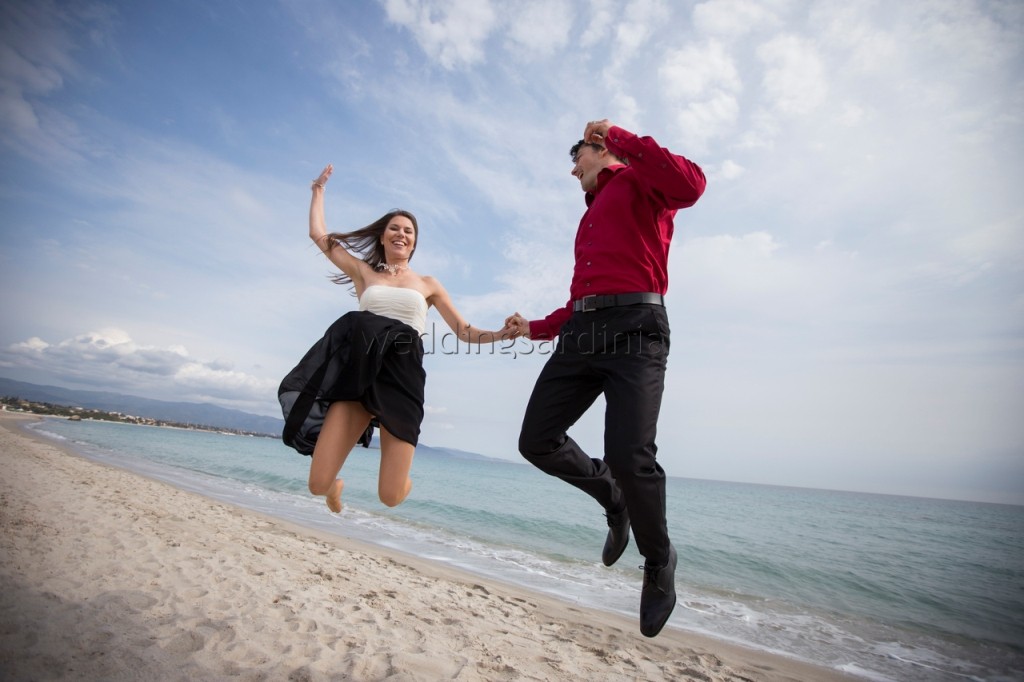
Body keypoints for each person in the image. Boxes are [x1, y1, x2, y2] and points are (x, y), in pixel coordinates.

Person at [505, 120, 706, 638]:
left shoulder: (642, 181)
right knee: (536, 440)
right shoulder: (590, 217)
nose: (573, 171)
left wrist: (619, 135)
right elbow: (581, 299)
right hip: (583, 331)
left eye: (578, 159)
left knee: (629, 454)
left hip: (637, 330)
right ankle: (613, 499)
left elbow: (692, 185)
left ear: (600, 151)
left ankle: (658, 562)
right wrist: (535, 328)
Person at [279, 164, 512, 512]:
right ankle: (334, 486)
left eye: (408, 231)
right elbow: (318, 234)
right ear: (382, 236)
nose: (401, 234)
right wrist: (318, 190)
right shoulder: (363, 272)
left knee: (389, 496)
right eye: (394, 228)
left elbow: (464, 331)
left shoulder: (428, 284)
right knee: (317, 484)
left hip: (402, 377)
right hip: (359, 374)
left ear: (414, 242)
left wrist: (501, 334)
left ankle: (405, 479)